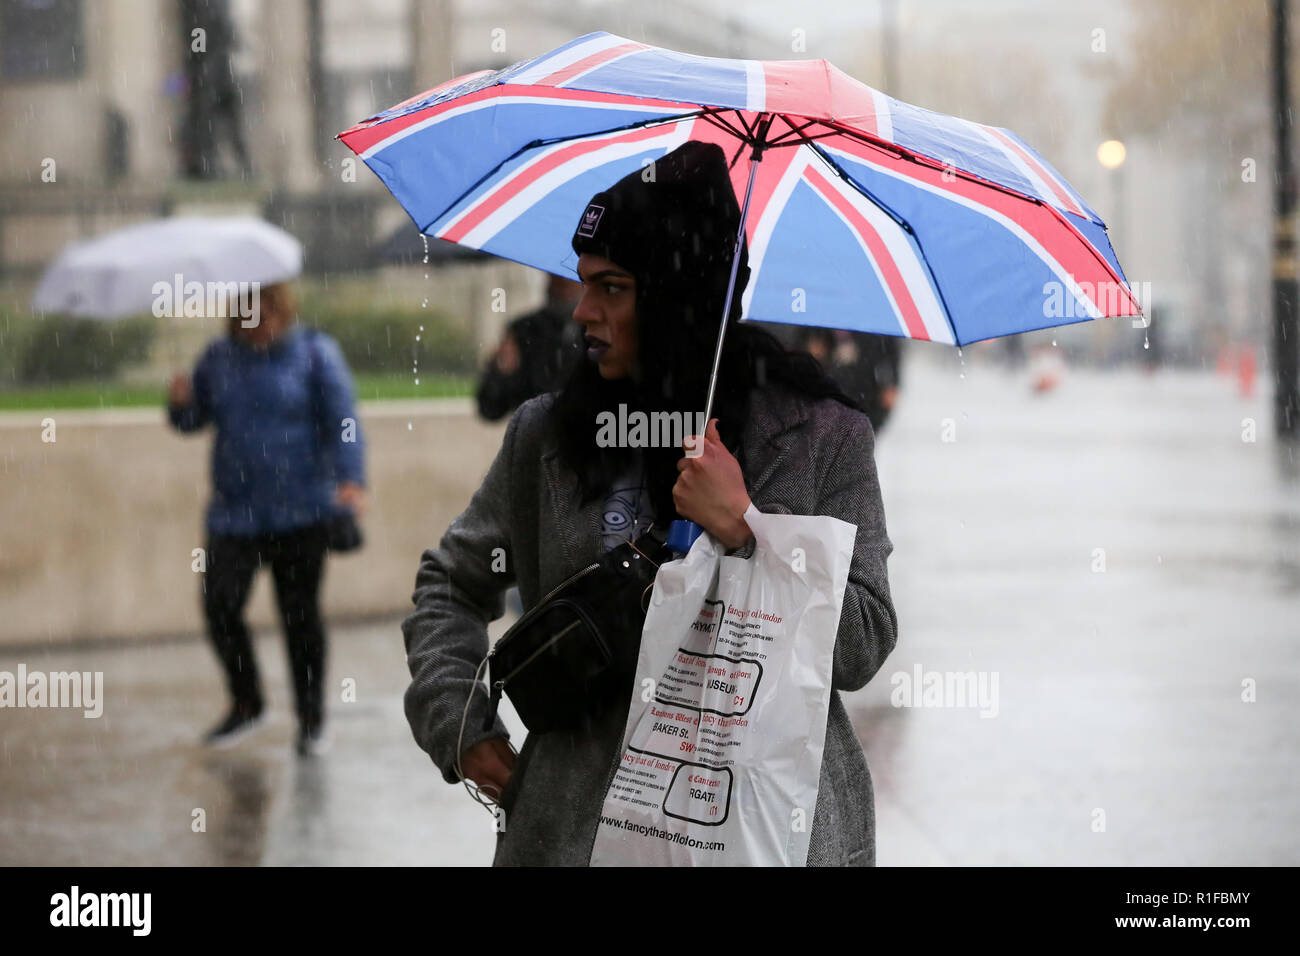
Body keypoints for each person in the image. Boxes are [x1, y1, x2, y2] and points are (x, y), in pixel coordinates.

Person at [401, 141, 898, 865]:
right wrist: (461, 725)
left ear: (677, 295)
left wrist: (749, 529)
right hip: (577, 834)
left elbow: (861, 645)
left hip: (769, 836)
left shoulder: (823, 438)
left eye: (612, 287)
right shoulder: (549, 434)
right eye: (583, 285)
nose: (582, 313)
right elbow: (450, 582)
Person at [168, 282, 366, 755]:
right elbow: (193, 420)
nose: (255, 323)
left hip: (302, 510)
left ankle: (312, 721)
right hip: (235, 514)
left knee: (300, 619)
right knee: (220, 605)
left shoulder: (316, 353)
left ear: (282, 311)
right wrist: (179, 403)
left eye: (265, 312)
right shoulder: (217, 358)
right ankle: (247, 703)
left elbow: (344, 419)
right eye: (246, 314)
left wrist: (350, 478)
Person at [475, 273, 583, 421]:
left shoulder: (595, 330)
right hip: (535, 433)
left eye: (571, 275)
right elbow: (490, 408)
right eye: (558, 275)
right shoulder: (524, 330)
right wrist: (501, 373)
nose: (564, 280)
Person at [795, 328, 902, 434]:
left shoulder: (874, 323)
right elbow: (804, 341)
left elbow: (890, 350)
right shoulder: (820, 319)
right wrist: (811, 345)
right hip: (829, 386)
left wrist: (892, 383)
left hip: (865, 386)